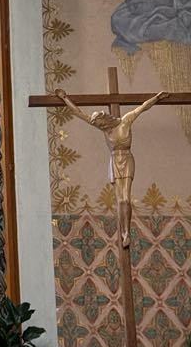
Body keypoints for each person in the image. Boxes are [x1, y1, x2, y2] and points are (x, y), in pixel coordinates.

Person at [55, 88, 167, 246]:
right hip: (114, 161)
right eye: (98, 125)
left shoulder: (126, 121)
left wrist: (157, 98)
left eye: (100, 123)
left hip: (127, 159)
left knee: (126, 198)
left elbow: (142, 107)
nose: (100, 126)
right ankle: (124, 233)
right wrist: (65, 98)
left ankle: (127, 231)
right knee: (120, 200)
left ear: (105, 119)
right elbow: (78, 113)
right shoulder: (103, 128)